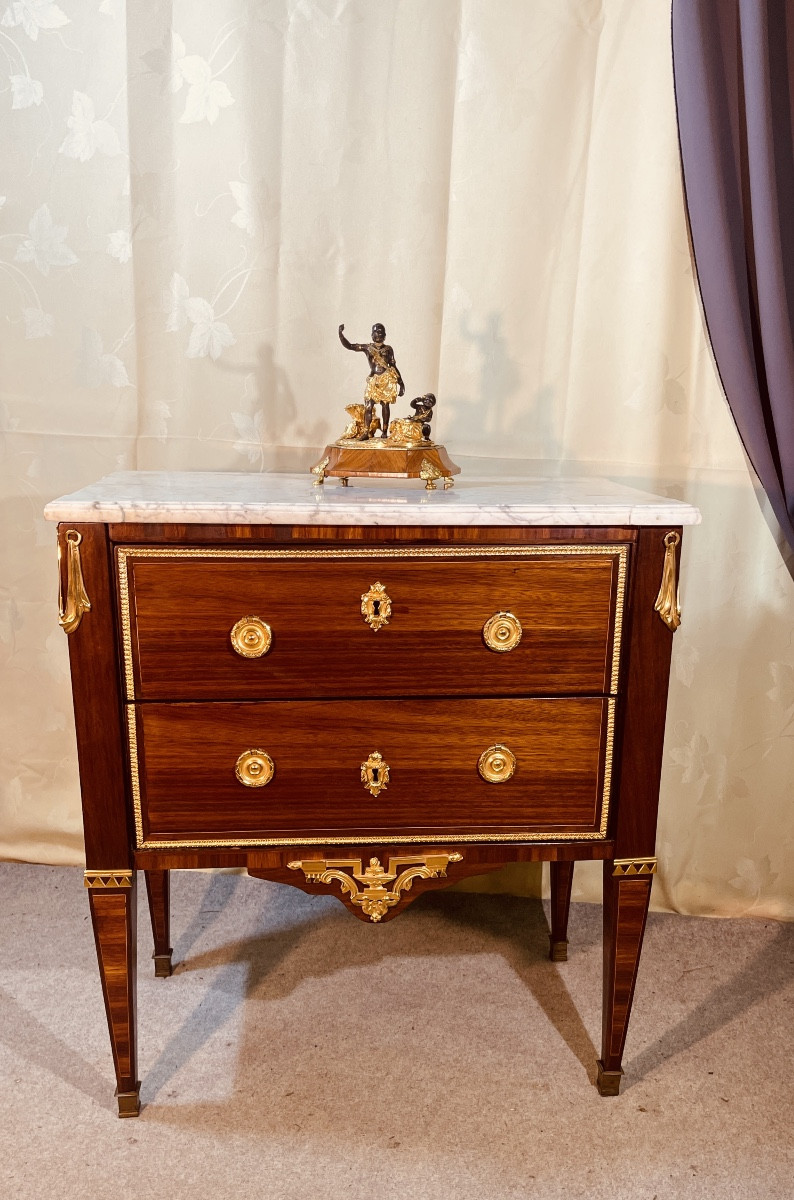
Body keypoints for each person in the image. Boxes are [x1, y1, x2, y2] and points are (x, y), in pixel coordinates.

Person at [338, 323, 405, 439]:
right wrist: (341, 335)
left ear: (384, 335)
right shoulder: (367, 348)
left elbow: (393, 366)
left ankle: (384, 431)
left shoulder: (388, 349)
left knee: (385, 405)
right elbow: (350, 346)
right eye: (375, 332)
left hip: (386, 379)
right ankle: (366, 432)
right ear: (371, 335)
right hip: (374, 379)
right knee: (368, 405)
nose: (378, 334)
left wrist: (401, 383)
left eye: (380, 332)